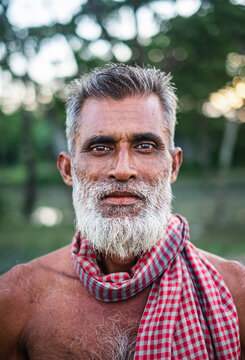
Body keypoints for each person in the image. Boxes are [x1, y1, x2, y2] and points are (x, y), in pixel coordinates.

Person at [0, 64, 244, 360]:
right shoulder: (19, 298)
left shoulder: (234, 291)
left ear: (174, 166)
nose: (123, 170)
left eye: (145, 145)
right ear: (67, 169)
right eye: (101, 148)